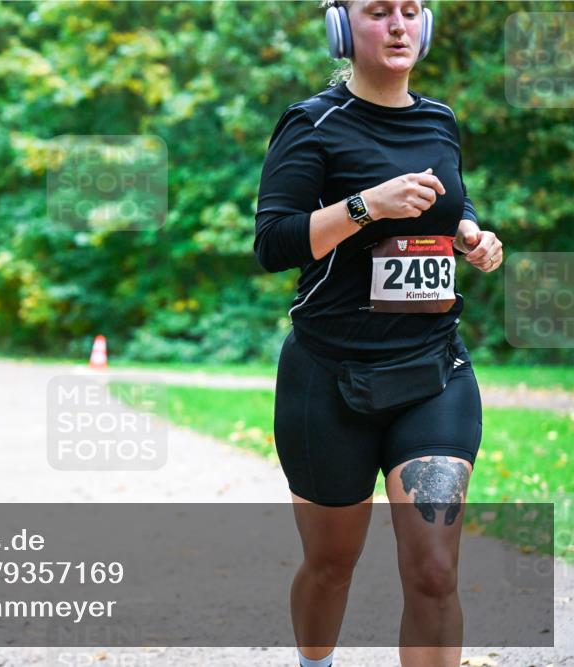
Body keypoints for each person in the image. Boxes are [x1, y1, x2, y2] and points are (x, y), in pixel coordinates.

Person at [254, 2, 504, 666]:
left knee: (435, 571)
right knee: (330, 565)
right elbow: (274, 242)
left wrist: (469, 232)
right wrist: (367, 206)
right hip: (329, 378)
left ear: (426, 25)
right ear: (342, 28)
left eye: (410, 11)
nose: (398, 25)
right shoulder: (313, 123)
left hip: (433, 374)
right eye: (378, 11)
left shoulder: (439, 119)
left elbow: (451, 200)